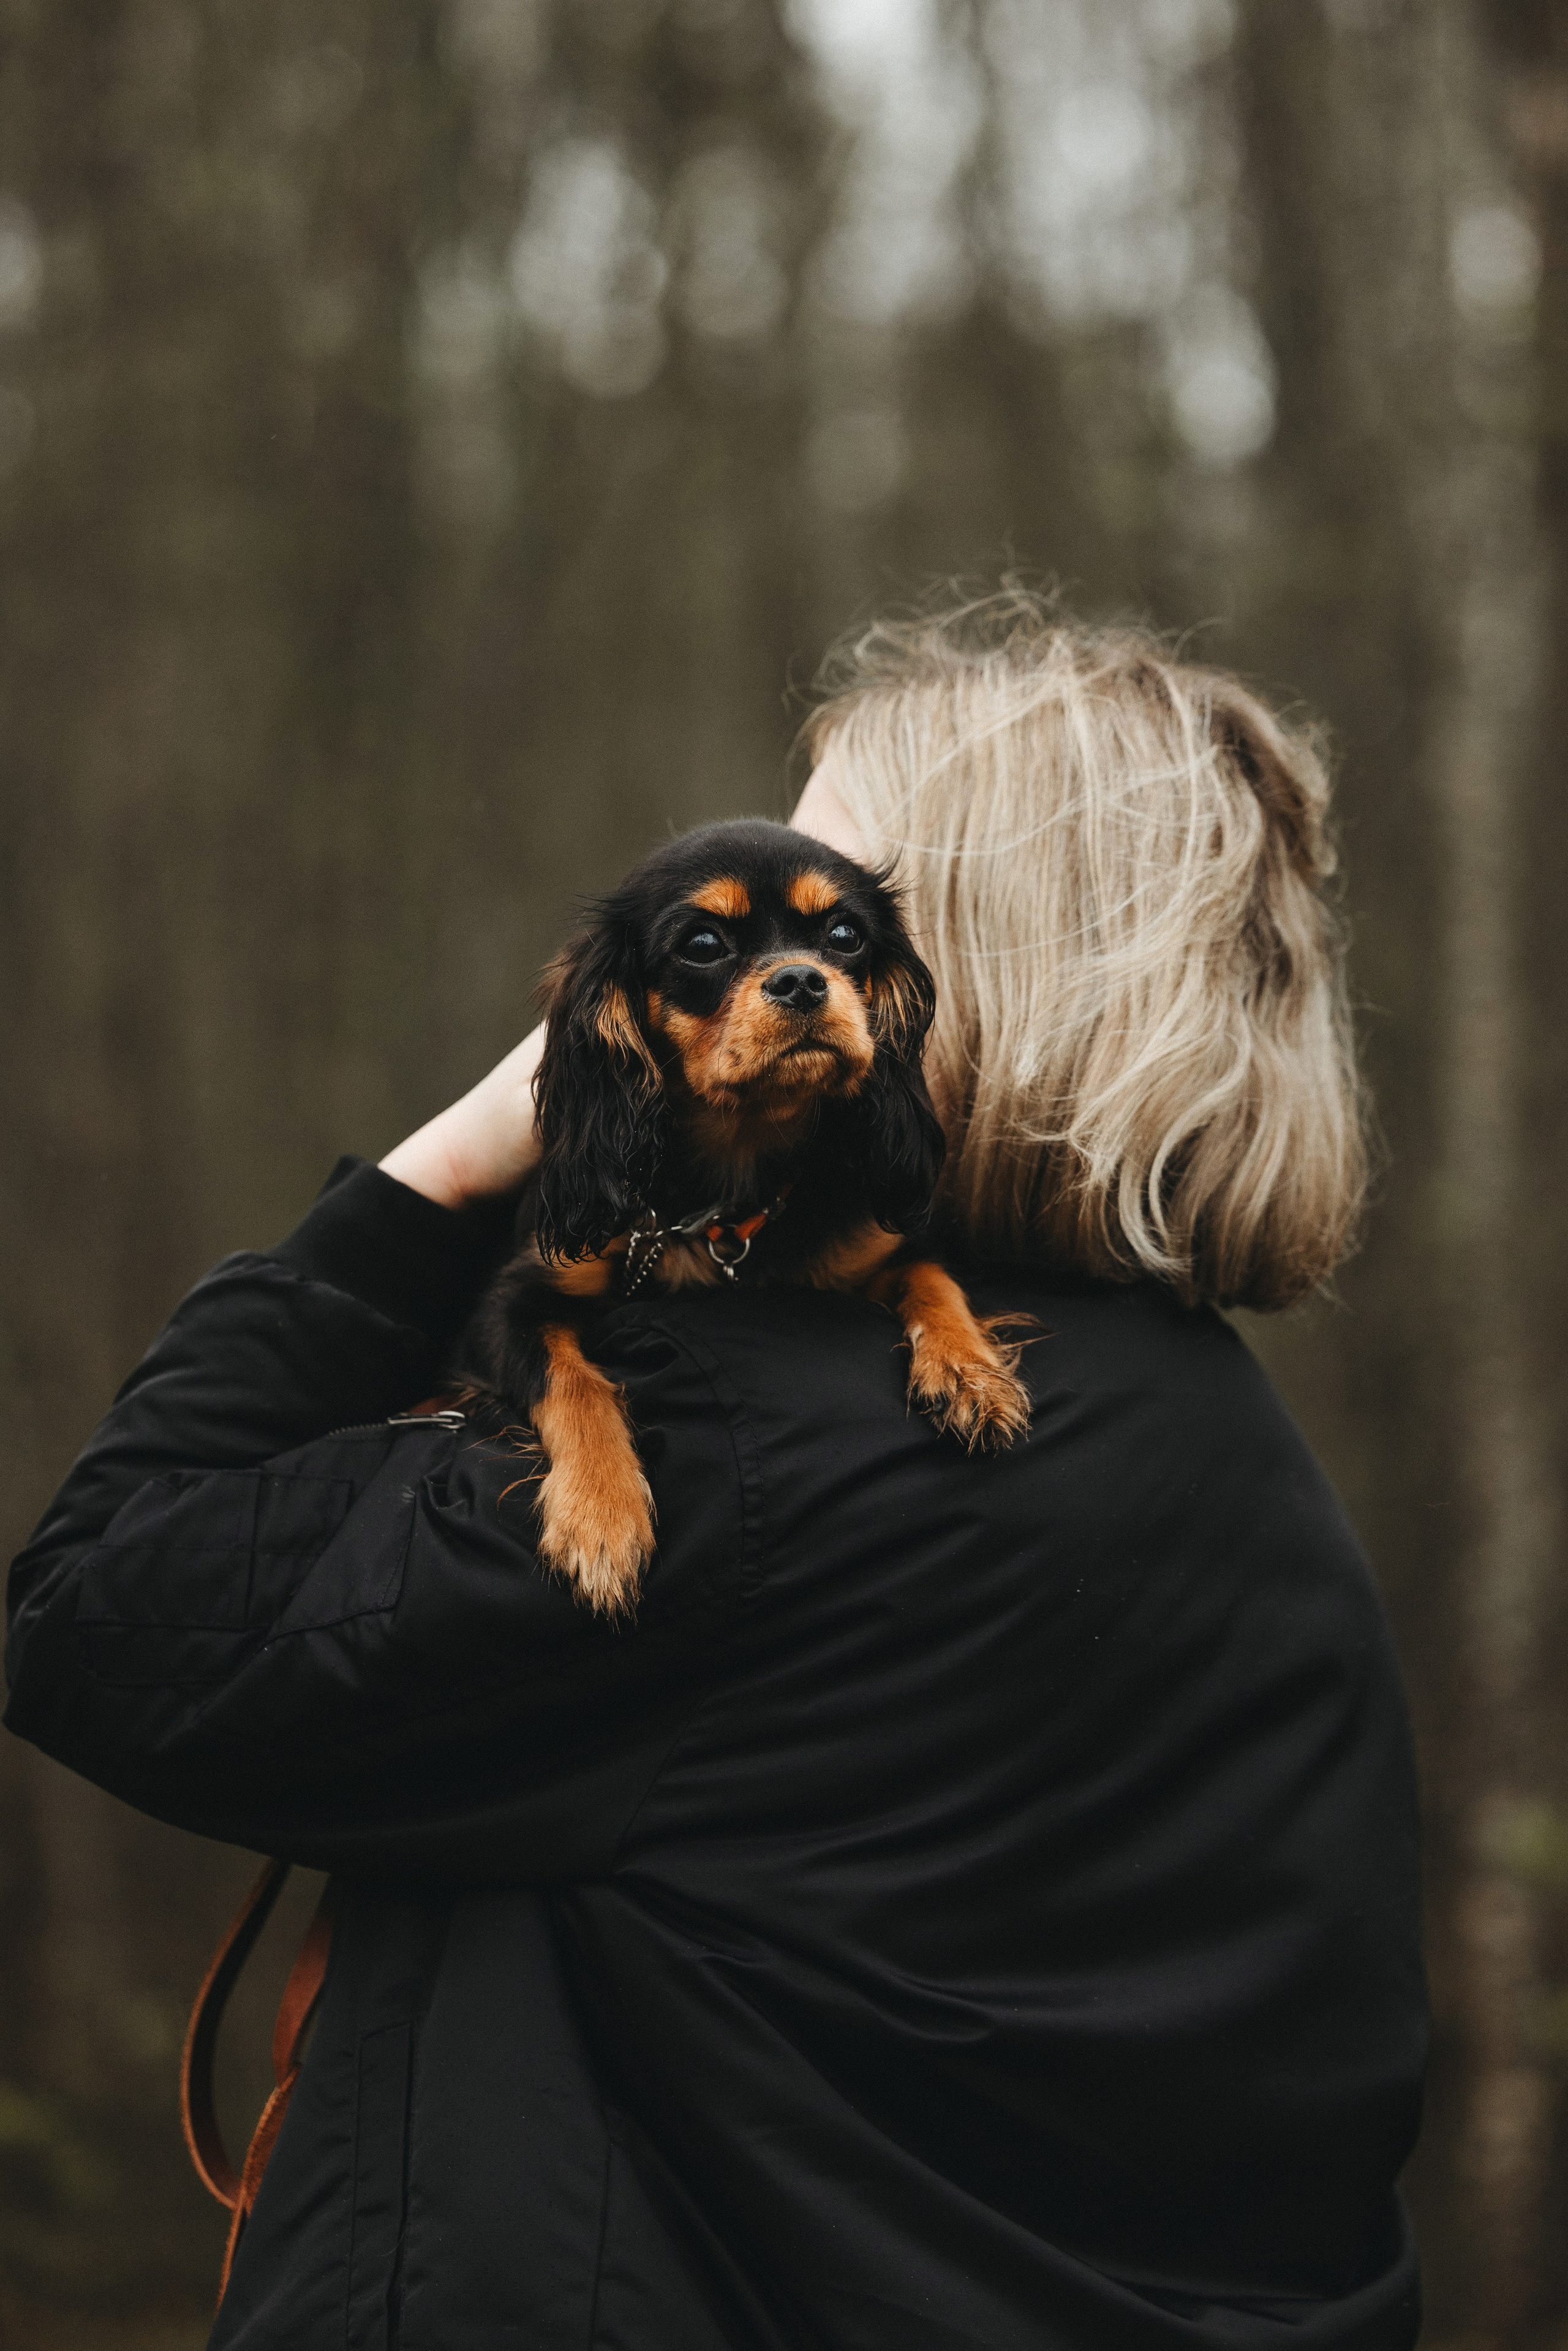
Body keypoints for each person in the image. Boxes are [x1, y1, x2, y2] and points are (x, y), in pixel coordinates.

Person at [5, 591, 1426, 2351]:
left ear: (961, 962)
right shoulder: (1233, 1453)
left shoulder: (724, 1449)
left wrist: (446, 1167)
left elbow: (93, 1609)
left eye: (832, 887)